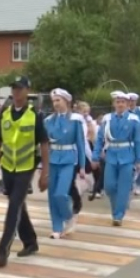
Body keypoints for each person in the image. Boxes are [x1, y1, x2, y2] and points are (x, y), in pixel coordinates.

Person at [0, 76, 49, 268]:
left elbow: (44, 144)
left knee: (14, 207)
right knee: (18, 206)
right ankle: (30, 242)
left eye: (20, 89)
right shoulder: (3, 114)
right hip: (8, 168)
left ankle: (2, 251)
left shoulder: (35, 114)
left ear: (27, 91)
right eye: (14, 89)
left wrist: (45, 172)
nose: (17, 92)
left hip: (26, 168)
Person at [92, 91, 140, 226]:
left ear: (127, 104)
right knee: (109, 186)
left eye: (123, 102)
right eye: (118, 102)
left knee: (124, 187)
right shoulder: (107, 119)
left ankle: (118, 215)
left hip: (127, 155)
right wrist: (95, 156)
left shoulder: (134, 119)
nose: (120, 104)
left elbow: (138, 140)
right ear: (114, 104)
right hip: (111, 155)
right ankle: (119, 207)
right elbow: (99, 139)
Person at [44, 89, 87, 239]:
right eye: (54, 101)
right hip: (52, 159)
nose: (56, 103)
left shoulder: (75, 120)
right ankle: (56, 227)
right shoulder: (48, 121)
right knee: (51, 195)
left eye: (58, 100)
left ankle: (69, 217)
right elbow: (44, 144)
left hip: (68, 159)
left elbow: (81, 144)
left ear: (66, 101)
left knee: (61, 193)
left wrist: (82, 166)